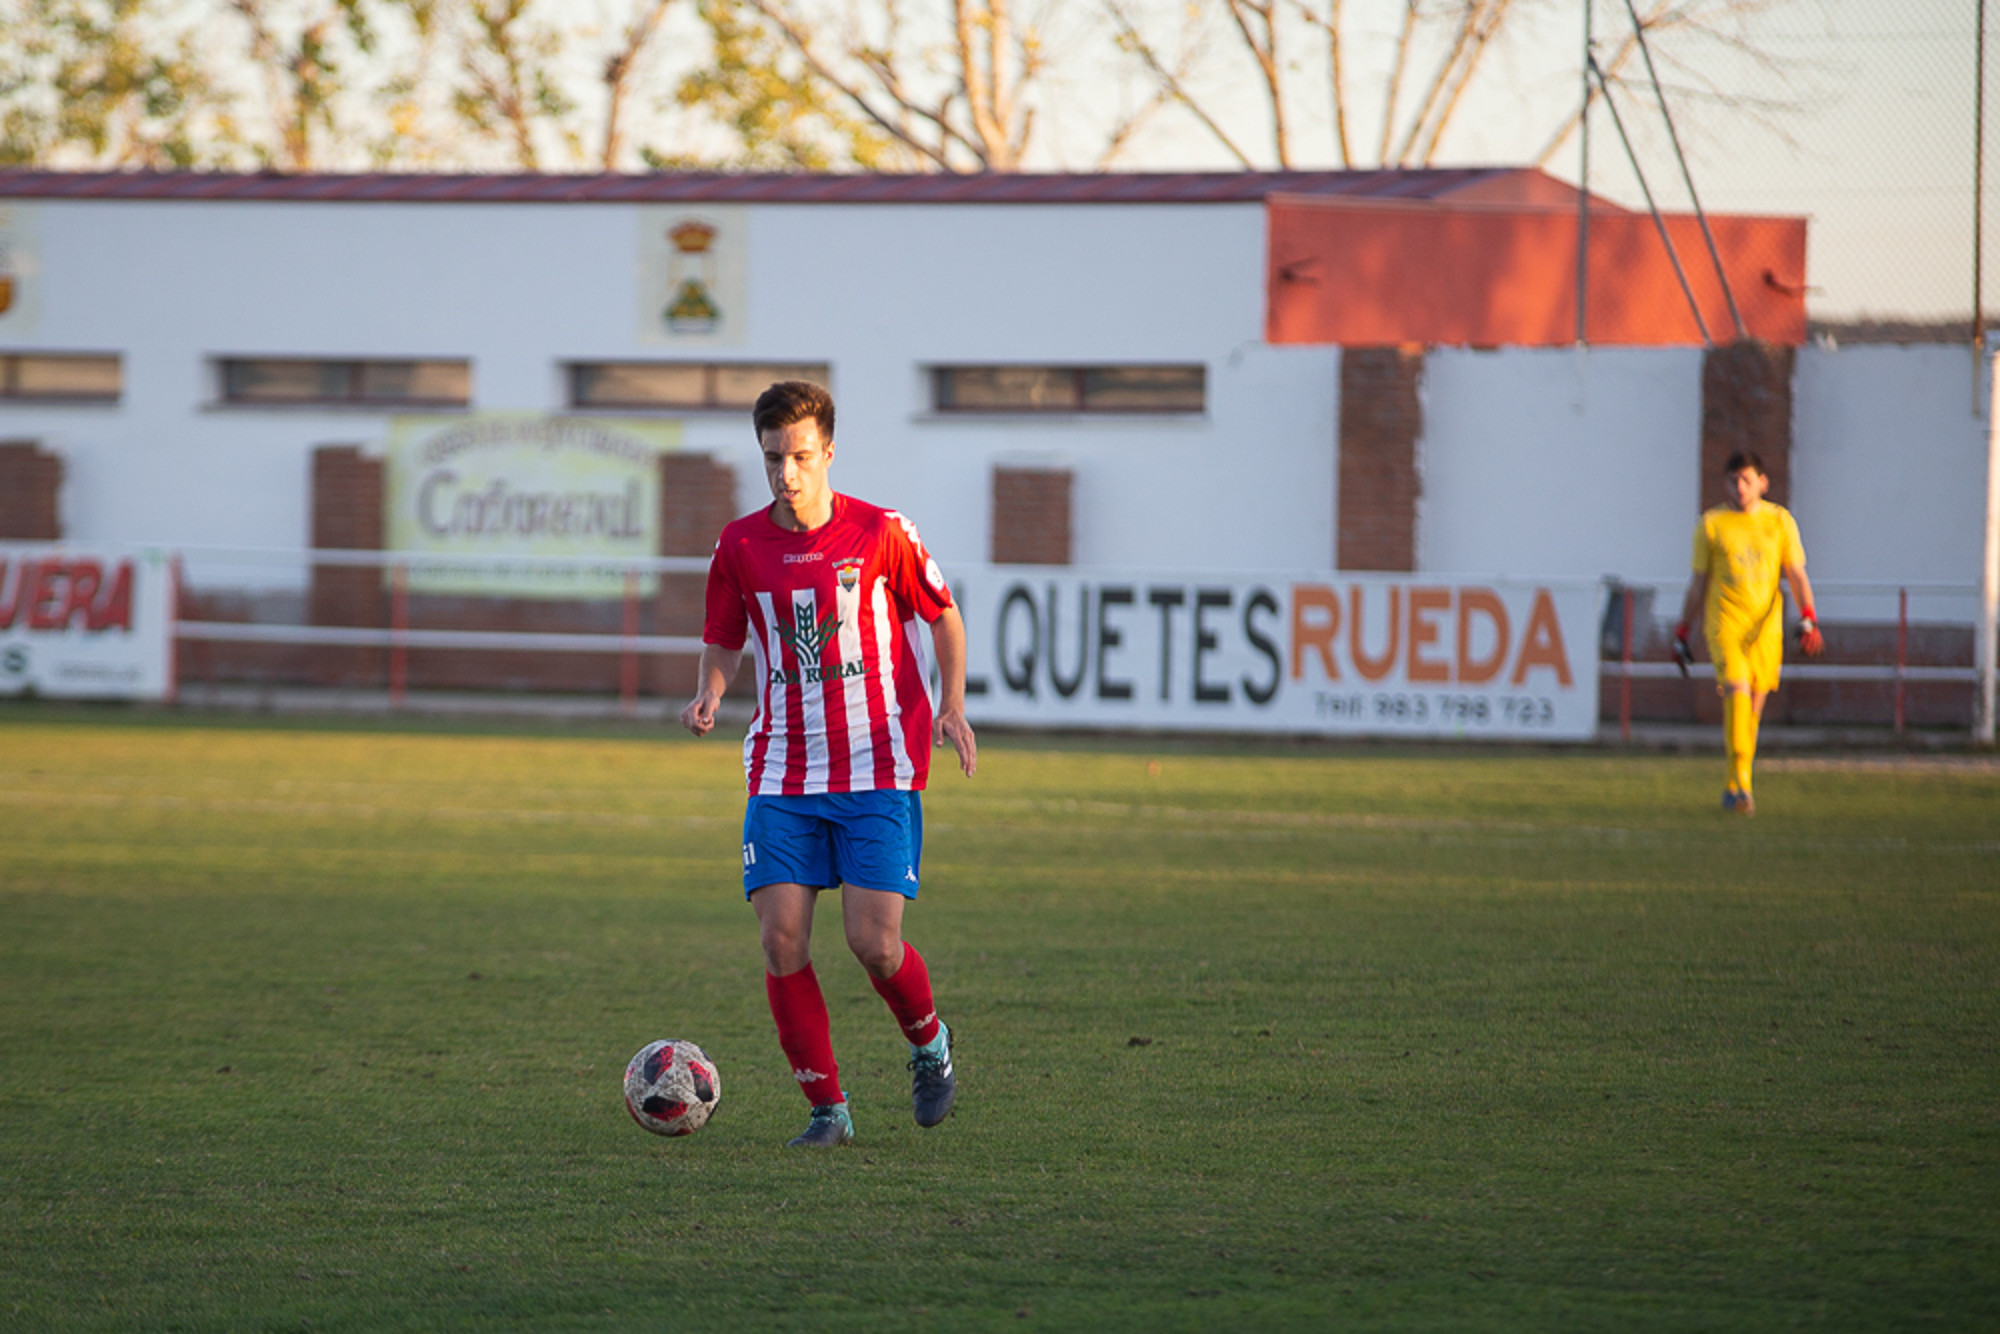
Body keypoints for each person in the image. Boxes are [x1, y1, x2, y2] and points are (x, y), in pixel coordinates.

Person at [680, 380, 978, 1148]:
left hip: (878, 763)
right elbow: (725, 636)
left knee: (874, 944)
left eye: (801, 456)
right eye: (774, 457)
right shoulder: (740, 545)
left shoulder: (881, 532)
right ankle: (828, 1111)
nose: (786, 473)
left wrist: (952, 703)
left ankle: (930, 1045)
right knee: (781, 940)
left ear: (829, 452)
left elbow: (943, 616)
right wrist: (709, 693)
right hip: (782, 770)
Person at [1674, 450, 1823, 815]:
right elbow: (1698, 583)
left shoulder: (1779, 521)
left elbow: (1796, 573)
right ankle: (1740, 787)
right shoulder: (1712, 524)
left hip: (1765, 628)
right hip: (1725, 621)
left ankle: (1736, 782)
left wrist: (1808, 616)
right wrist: (1683, 629)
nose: (1739, 487)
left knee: (1752, 708)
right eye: (1732, 480)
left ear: (1762, 482)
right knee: (1737, 690)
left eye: (1746, 480)